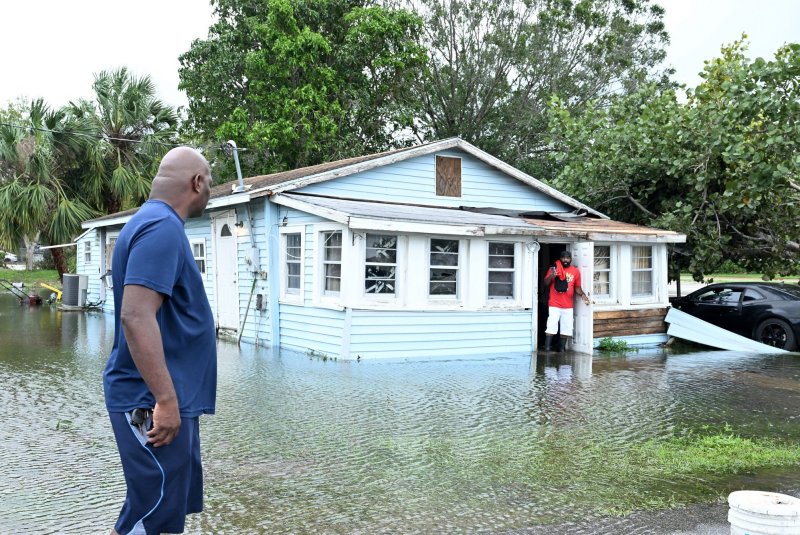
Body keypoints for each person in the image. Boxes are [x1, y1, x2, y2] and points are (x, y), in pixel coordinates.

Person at [104, 146, 216, 535]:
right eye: (211, 184)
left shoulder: (152, 223)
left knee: (156, 509)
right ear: (196, 183)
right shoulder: (161, 227)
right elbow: (135, 316)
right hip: (150, 403)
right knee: (154, 515)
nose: (211, 192)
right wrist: (166, 401)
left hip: (164, 399)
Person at [543, 250, 590, 352]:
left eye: (567, 258)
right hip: (554, 304)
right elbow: (546, 283)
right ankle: (547, 349)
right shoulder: (554, 269)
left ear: (570, 259)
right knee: (551, 326)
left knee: (567, 328)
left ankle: (562, 349)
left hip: (568, 305)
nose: (565, 260)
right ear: (560, 259)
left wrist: (583, 295)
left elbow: (577, 288)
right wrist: (552, 276)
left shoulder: (575, 271)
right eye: (563, 258)